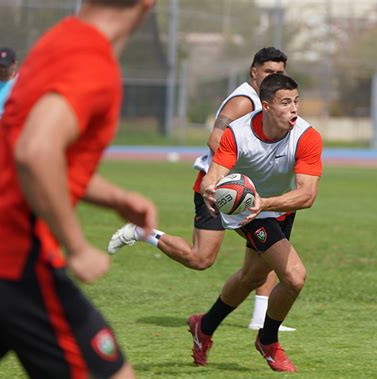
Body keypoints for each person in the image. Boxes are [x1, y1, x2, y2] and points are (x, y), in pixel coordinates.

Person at [0, 1, 157, 378]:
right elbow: (36, 152)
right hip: (17, 262)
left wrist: (114, 197)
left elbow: (34, 150)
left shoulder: (58, 39)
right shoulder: (91, 61)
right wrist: (77, 245)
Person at [108, 47, 294, 331]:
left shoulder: (272, 101)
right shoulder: (245, 100)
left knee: (268, 249)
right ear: (254, 72)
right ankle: (142, 232)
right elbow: (215, 139)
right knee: (201, 258)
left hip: (250, 189)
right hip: (221, 189)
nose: (274, 77)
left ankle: (260, 316)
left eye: (280, 73)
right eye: (269, 72)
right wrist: (233, 180)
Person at [187, 73, 323, 372]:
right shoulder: (238, 133)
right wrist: (211, 186)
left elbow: (307, 195)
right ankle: (268, 340)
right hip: (250, 212)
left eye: (296, 101)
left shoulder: (307, 136)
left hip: (280, 208)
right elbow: (216, 171)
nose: (294, 109)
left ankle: (204, 326)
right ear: (265, 106)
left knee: (251, 277)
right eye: (285, 103)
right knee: (294, 277)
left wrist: (267, 203)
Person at [0, 47, 18, 140]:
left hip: (13, 136)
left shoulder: (22, 83)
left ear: (14, 64)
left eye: (5, 66)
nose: (2, 70)